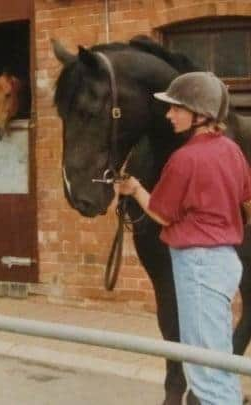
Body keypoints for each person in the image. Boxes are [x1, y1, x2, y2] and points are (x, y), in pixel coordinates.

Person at [117, 71, 251, 405]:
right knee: (220, 359)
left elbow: (162, 214)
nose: (169, 114)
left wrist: (134, 189)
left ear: (200, 114)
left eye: (177, 108)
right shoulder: (232, 150)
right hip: (225, 260)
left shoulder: (184, 159)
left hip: (198, 265)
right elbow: (246, 198)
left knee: (204, 369)